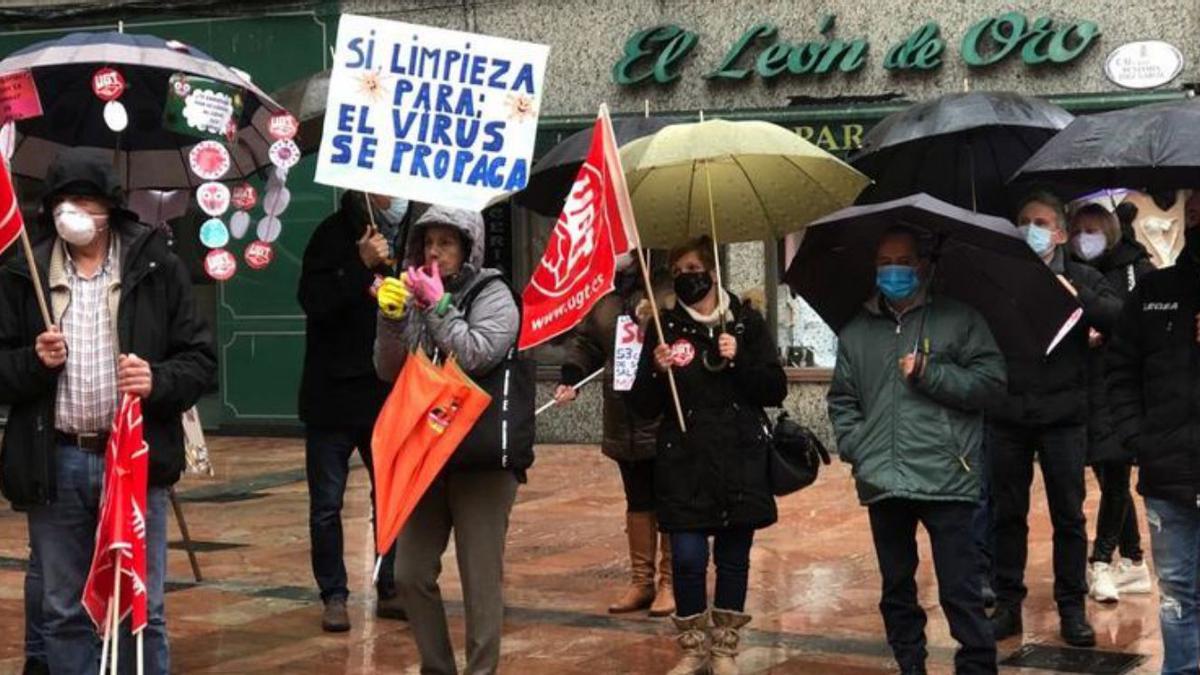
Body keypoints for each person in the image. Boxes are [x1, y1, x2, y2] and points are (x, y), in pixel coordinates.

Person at [0, 147, 216, 674]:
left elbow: (200, 360)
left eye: (85, 200)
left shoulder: (155, 265)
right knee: (63, 609)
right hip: (57, 462)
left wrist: (157, 380)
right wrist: (33, 361)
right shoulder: (21, 272)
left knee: (142, 608)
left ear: (108, 209)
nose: (73, 211)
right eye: (63, 201)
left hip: (134, 464)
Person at [828, 226, 1004, 675]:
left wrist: (932, 373)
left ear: (922, 265)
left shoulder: (960, 320)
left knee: (960, 588)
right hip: (883, 478)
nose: (893, 271)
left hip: (946, 475)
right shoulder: (856, 332)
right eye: (884, 262)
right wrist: (858, 448)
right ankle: (910, 664)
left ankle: (977, 666)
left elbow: (991, 384)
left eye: (902, 262)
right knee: (896, 588)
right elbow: (842, 401)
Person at [374, 204, 525, 675]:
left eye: (446, 243)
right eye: (428, 243)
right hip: (428, 450)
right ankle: (437, 668)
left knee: (480, 583)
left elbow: (476, 354)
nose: (435, 252)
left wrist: (440, 306)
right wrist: (393, 319)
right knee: (409, 573)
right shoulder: (417, 291)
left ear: (468, 248)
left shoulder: (495, 294)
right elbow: (390, 369)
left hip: (480, 459)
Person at [630, 236, 786, 675]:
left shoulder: (746, 322)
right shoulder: (663, 328)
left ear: (713, 271)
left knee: (734, 558)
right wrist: (655, 370)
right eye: (677, 271)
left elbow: (774, 389)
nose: (686, 277)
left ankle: (725, 647)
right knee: (687, 557)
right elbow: (641, 407)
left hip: (740, 459)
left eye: (694, 268)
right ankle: (694, 647)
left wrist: (739, 361)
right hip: (685, 463)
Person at [988, 190, 1122, 647]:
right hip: (1008, 412)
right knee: (1008, 513)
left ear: (1060, 233)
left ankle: (1071, 606)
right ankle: (1007, 603)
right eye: (1025, 220)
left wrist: (1079, 299)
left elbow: (1119, 318)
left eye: (1042, 222)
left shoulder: (1083, 277)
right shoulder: (1003, 277)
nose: (1033, 230)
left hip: (1065, 415)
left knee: (1069, 515)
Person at [297, 190, 409, 631]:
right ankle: (334, 594)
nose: (394, 197)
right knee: (326, 504)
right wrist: (359, 264)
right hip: (331, 398)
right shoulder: (329, 235)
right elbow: (314, 302)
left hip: (384, 392)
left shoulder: (410, 234)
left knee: (390, 497)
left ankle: (390, 584)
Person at [553, 257, 674, 617]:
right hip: (623, 414)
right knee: (637, 498)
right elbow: (588, 342)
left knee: (668, 497)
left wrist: (653, 318)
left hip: (662, 412)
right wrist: (570, 376)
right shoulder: (605, 292)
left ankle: (670, 581)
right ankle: (641, 581)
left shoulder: (666, 287)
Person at [1108, 212, 1200, 675]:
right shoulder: (1153, 293)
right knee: (1179, 592)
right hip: (1168, 474)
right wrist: (1137, 437)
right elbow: (1120, 370)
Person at [1067, 204, 1155, 603]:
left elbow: (1137, 322)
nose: (1087, 237)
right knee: (1109, 476)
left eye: (1094, 229)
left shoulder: (1135, 269)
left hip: (1121, 387)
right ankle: (1134, 561)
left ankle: (1100, 561)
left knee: (1116, 475)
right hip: (1085, 386)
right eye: (1079, 230)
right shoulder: (1067, 271)